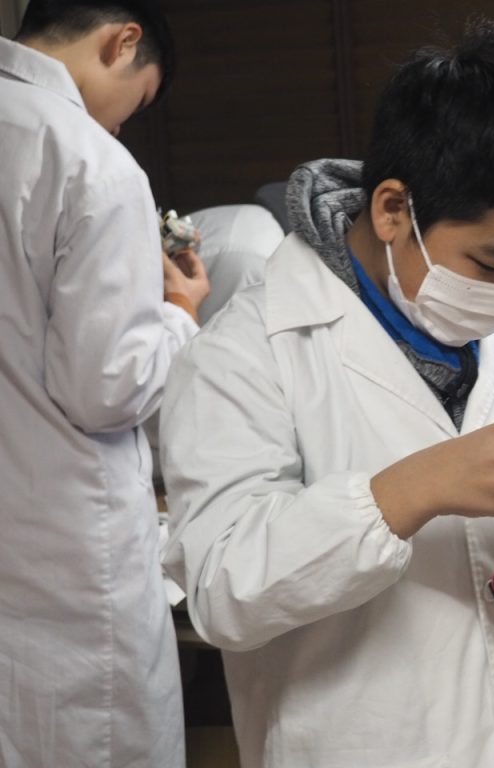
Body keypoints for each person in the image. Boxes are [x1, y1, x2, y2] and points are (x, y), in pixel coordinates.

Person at [160, 19, 494, 767]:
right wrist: (406, 492)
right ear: (394, 209)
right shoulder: (246, 352)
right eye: (492, 265)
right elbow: (222, 591)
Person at [0, 1, 208, 766]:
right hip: (63, 541)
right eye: (136, 103)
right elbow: (106, 389)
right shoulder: (88, 158)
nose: (122, 124)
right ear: (122, 43)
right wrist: (181, 315)